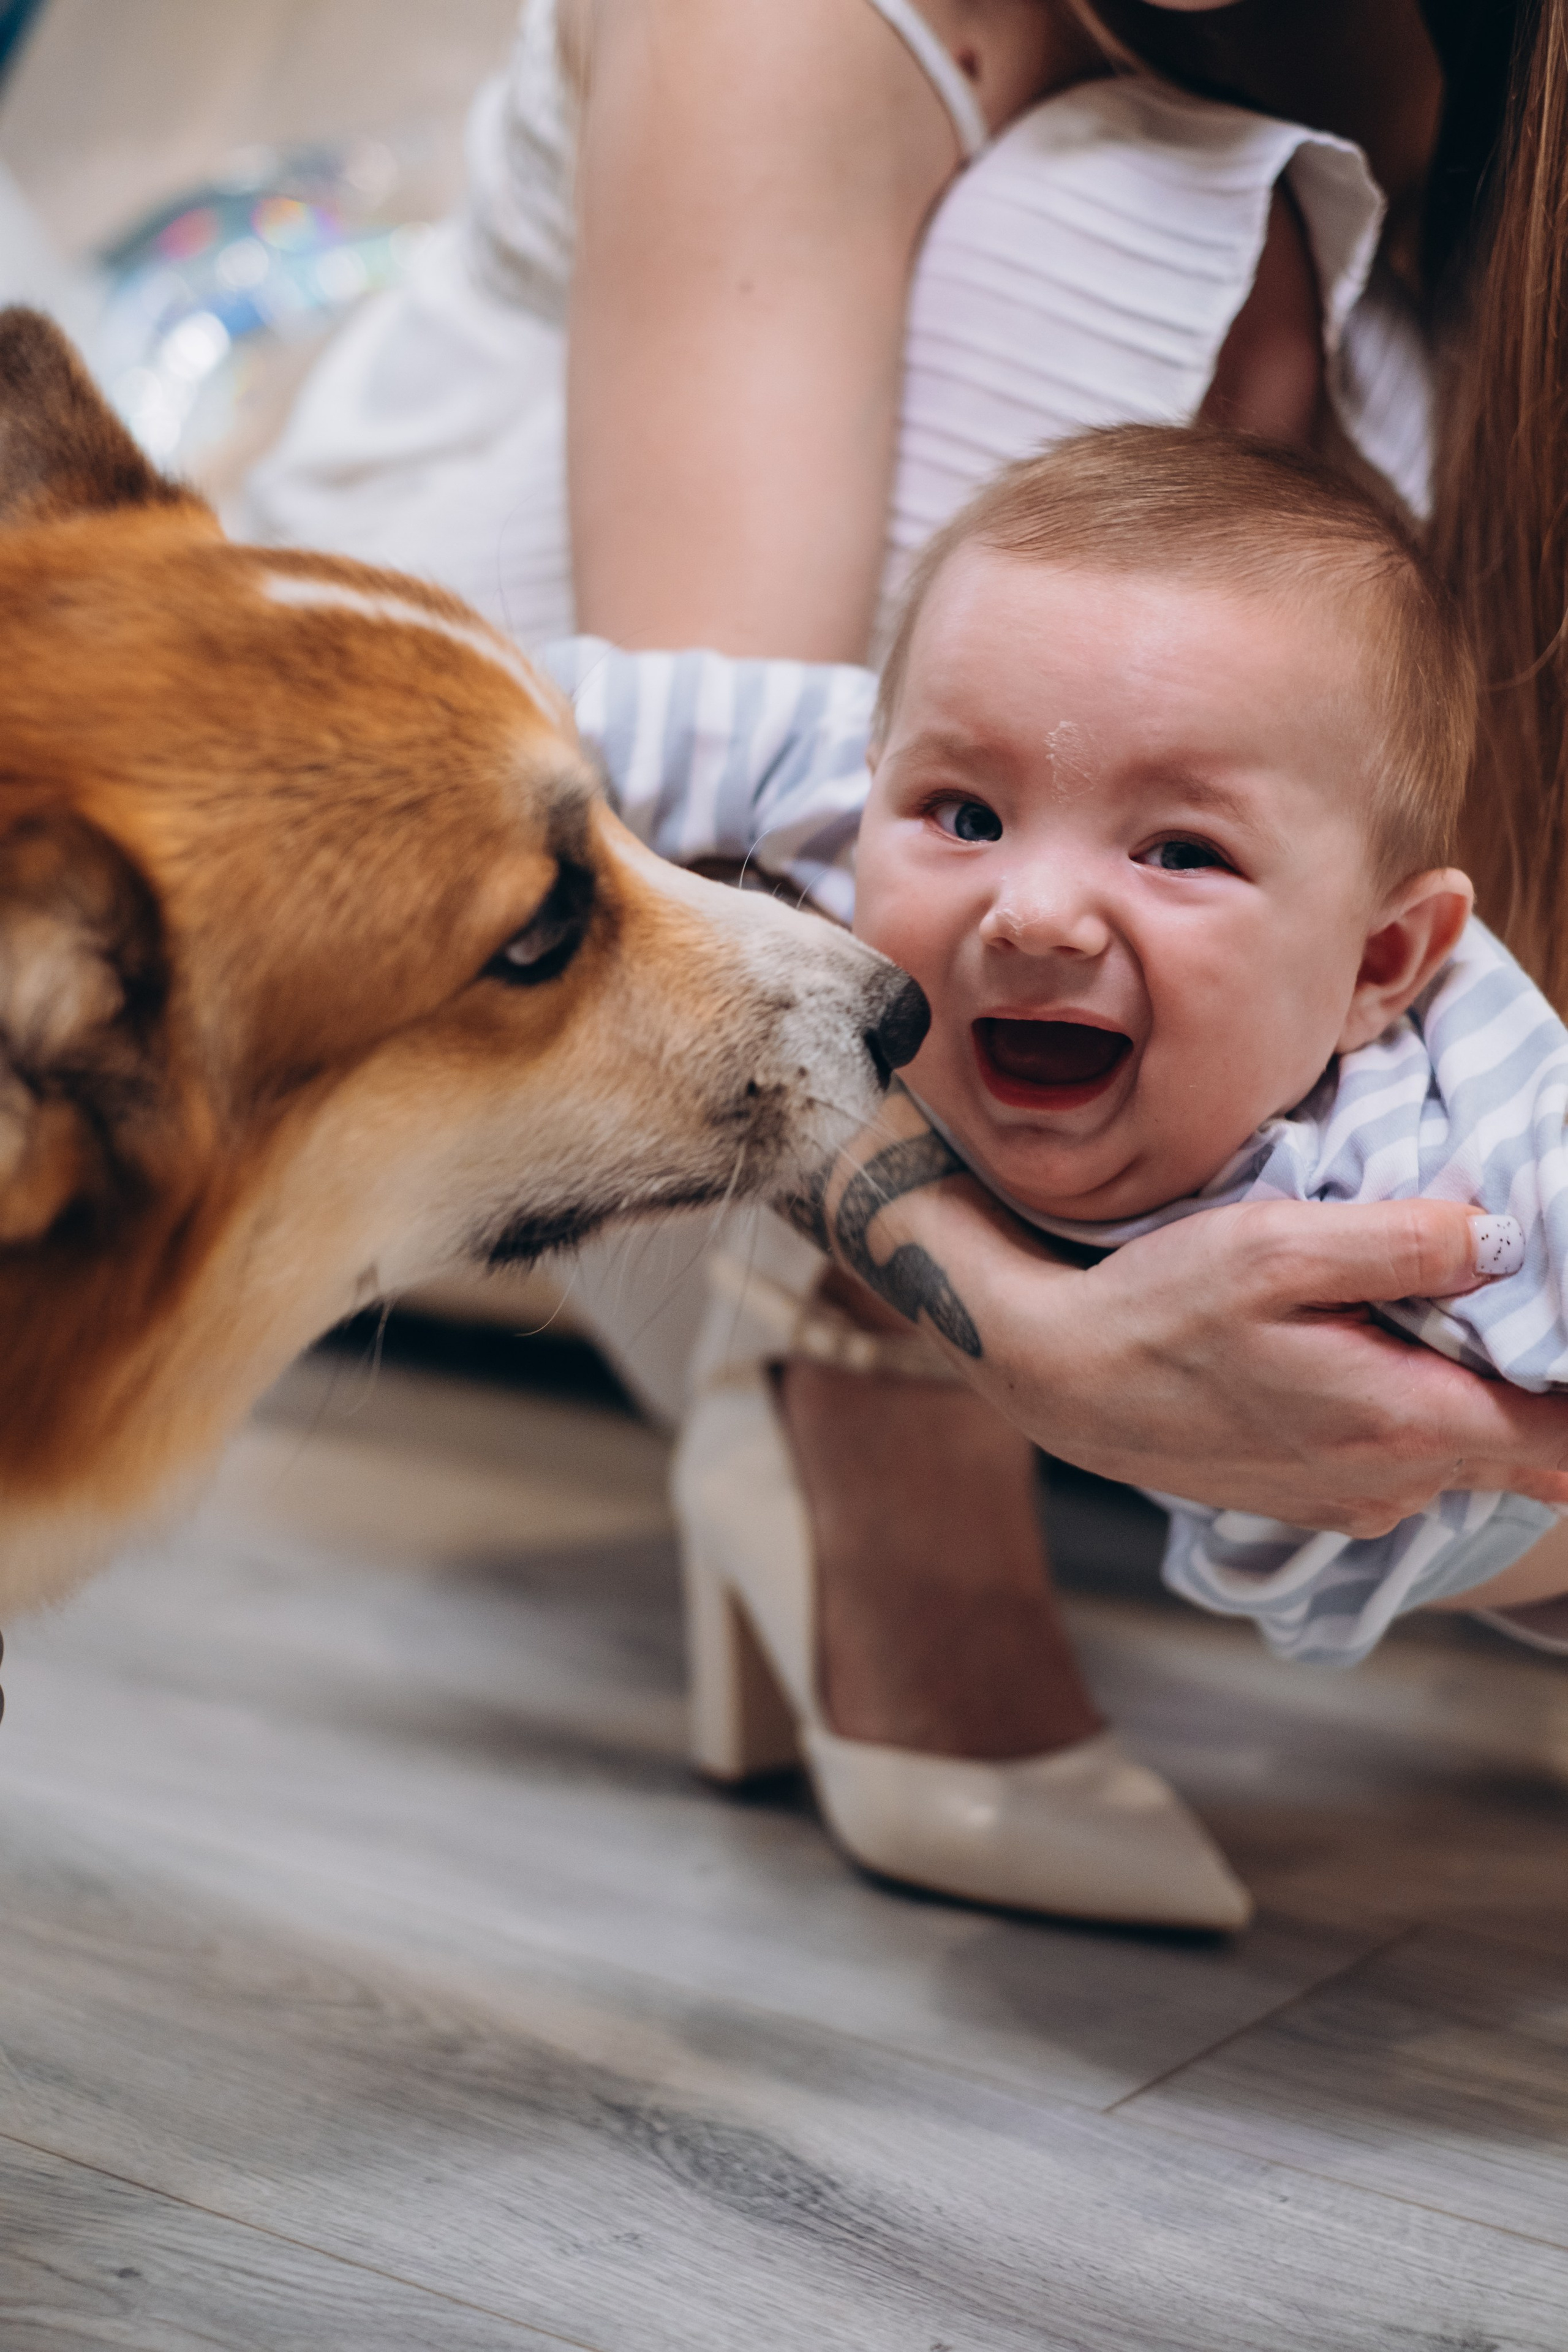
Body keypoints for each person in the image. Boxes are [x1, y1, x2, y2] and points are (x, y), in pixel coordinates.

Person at [244, 0, 1568, 1929]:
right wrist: (1021, 1336)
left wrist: (1482, 1441)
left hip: (1101, 954)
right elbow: (719, 859)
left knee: (1304, 632)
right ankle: (851, 1413)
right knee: (1144, 224)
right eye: (978, 835)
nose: (1036, 911)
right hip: (564, 788)